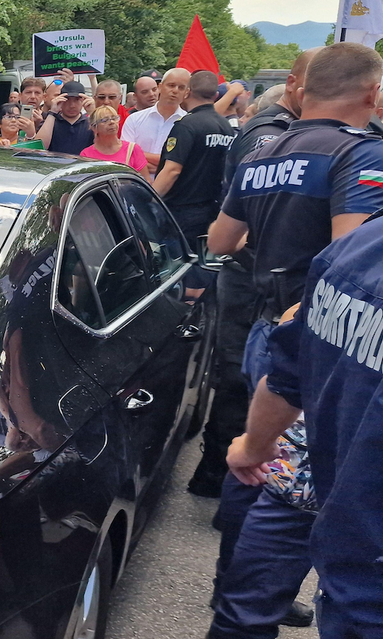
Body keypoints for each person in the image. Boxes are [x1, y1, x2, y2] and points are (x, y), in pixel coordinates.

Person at [205, 42, 383, 639]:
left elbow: (220, 242)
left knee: (256, 469)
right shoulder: (360, 153)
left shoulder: (263, 149)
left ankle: (242, 591)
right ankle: (244, 618)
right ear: (370, 93)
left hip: (265, 323)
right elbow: (352, 259)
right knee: (291, 486)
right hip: (317, 336)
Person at [224, 214, 383, 639]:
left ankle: (245, 618)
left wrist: (254, 444)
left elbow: (224, 238)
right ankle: (243, 621)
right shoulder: (351, 175)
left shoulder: (362, 242)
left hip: (354, 577)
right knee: (286, 496)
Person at [190, 48, 316, 500]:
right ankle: (218, 478)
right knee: (240, 380)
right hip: (251, 278)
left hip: (260, 279)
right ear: (299, 86)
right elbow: (233, 231)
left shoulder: (281, 135)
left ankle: (224, 479)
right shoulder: (270, 138)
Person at [152, 70, 236, 242]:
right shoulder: (225, 126)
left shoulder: (186, 125)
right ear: (216, 95)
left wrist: (150, 201)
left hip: (181, 214)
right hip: (212, 210)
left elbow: (172, 171)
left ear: (188, 92)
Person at [123, 67, 189, 169]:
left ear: (186, 93)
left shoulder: (189, 124)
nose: (175, 91)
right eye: (171, 85)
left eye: (181, 87)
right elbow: (125, 156)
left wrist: (138, 154)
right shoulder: (134, 120)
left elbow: (186, 163)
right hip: (136, 183)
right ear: (160, 87)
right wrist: (166, 164)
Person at [80, 105, 150, 179]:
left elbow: (146, 180)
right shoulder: (86, 155)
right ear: (94, 127)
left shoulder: (132, 149)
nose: (111, 122)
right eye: (104, 120)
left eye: (114, 118)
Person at [38, 80, 93, 154]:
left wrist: (93, 113)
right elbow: (40, 147)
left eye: (77, 100)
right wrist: (52, 112)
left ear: (84, 100)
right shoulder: (50, 122)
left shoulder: (90, 123)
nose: (72, 105)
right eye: (67, 100)